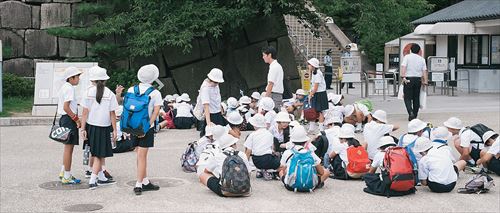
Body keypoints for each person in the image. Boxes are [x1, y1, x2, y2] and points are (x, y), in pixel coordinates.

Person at [80, 66, 118, 189]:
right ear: (105, 80)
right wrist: (115, 129)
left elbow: (84, 113)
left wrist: (83, 128)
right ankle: (93, 180)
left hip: (91, 126)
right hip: (104, 127)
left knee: (96, 152)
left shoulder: (87, 92)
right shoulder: (110, 94)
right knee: (99, 154)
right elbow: (112, 113)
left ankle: (101, 177)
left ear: (93, 80)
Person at [127, 64, 162, 195]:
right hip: (146, 128)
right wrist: (146, 128)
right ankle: (139, 184)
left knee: (140, 154)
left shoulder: (131, 89)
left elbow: (127, 109)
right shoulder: (155, 93)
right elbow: (155, 113)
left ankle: (145, 180)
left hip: (132, 126)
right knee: (142, 155)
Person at [279, 126, 330, 191]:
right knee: (327, 172)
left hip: (291, 186)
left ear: (291, 141)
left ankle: (291, 182)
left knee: (281, 171)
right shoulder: (311, 153)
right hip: (310, 185)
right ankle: (311, 184)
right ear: (306, 141)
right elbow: (321, 172)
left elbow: (282, 169)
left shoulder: (287, 152)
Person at [57, 67, 83, 184]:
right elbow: (66, 107)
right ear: (71, 78)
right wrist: (76, 119)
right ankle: (67, 176)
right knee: (69, 148)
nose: (78, 79)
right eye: (77, 77)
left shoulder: (65, 87)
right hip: (69, 120)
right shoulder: (69, 89)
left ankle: (63, 172)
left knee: (67, 148)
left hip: (65, 119)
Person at [244, 114, 282, 180]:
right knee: (279, 162)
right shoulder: (269, 134)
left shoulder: (252, 135)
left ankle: (261, 170)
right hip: (269, 160)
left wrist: (245, 164)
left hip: (256, 161)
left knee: (259, 160)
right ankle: (269, 171)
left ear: (254, 125)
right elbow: (272, 149)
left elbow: (248, 151)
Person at [400, 43, 428, 121]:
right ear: (419, 51)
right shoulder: (422, 59)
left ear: (410, 50)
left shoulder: (407, 57)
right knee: (416, 98)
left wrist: (403, 76)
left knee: (407, 98)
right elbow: (424, 71)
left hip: (408, 79)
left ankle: (410, 113)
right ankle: (415, 115)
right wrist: (425, 81)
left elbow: (403, 67)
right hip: (418, 80)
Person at [198, 68, 227, 136]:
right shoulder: (205, 88)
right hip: (211, 114)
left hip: (218, 112)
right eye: (216, 82)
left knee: (222, 133)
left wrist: (221, 112)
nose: (217, 84)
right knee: (213, 135)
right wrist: (208, 124)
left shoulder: (215, 85)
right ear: (211, 79)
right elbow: (206, 106)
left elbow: (218, 99)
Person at [308, 58, 329, 132]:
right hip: (317, 93)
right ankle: (312, 127)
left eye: (309, 64)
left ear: (313, 66)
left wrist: (310, 94)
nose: (308, 66)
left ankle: (320, 128)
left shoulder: (317, 74)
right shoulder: (314, 72)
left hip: (319, 94)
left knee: (320, 111)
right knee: (314, 110)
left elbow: (316, 87)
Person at [262, 46, 284, 111]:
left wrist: (265, 99)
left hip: (274, 95)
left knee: (273, 115)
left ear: (269, 55)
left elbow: (271, 84)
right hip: (275, 95)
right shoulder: (276, 66)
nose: (263, 57)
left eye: (264, 55)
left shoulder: (274, 67)